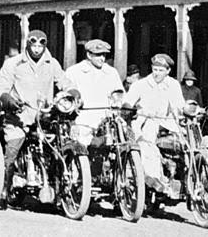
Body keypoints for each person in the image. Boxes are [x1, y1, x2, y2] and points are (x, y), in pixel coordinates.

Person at [0, 29, 80, 207]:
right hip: (19, 115)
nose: (37, 48)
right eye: (34, 44)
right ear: (27, 44)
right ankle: (4, 190)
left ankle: (58, 188)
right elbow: (0, 87)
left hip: (44, 116)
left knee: (58, 145)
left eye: (41, 45)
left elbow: (64, 81)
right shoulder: (13, 63)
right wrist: (7, 100)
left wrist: (73, 93)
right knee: (13, 147)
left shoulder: (52, 63)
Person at [122, 53, 186, 194]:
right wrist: (127, 107)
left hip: (166, 122)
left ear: (168, 71)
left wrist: (185, 112)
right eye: (155, 69)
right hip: (145, 122)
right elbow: (128, 101)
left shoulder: (173, 84)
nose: (157, 73)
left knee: (184, 142)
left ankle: (186, 177)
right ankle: (154, 179)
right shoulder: (141, 84)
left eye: (161, 70)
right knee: (148, 146)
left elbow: (179, 105)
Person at [64, 39, 122, 140]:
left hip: (106, 124)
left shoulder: (111, 72)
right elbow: (67, 100)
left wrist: (117, 103)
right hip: (82, 123)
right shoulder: (74, 72)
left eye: (104, 55)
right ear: (89, 55)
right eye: (98, 55)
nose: (102, 59)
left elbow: (119, 96)